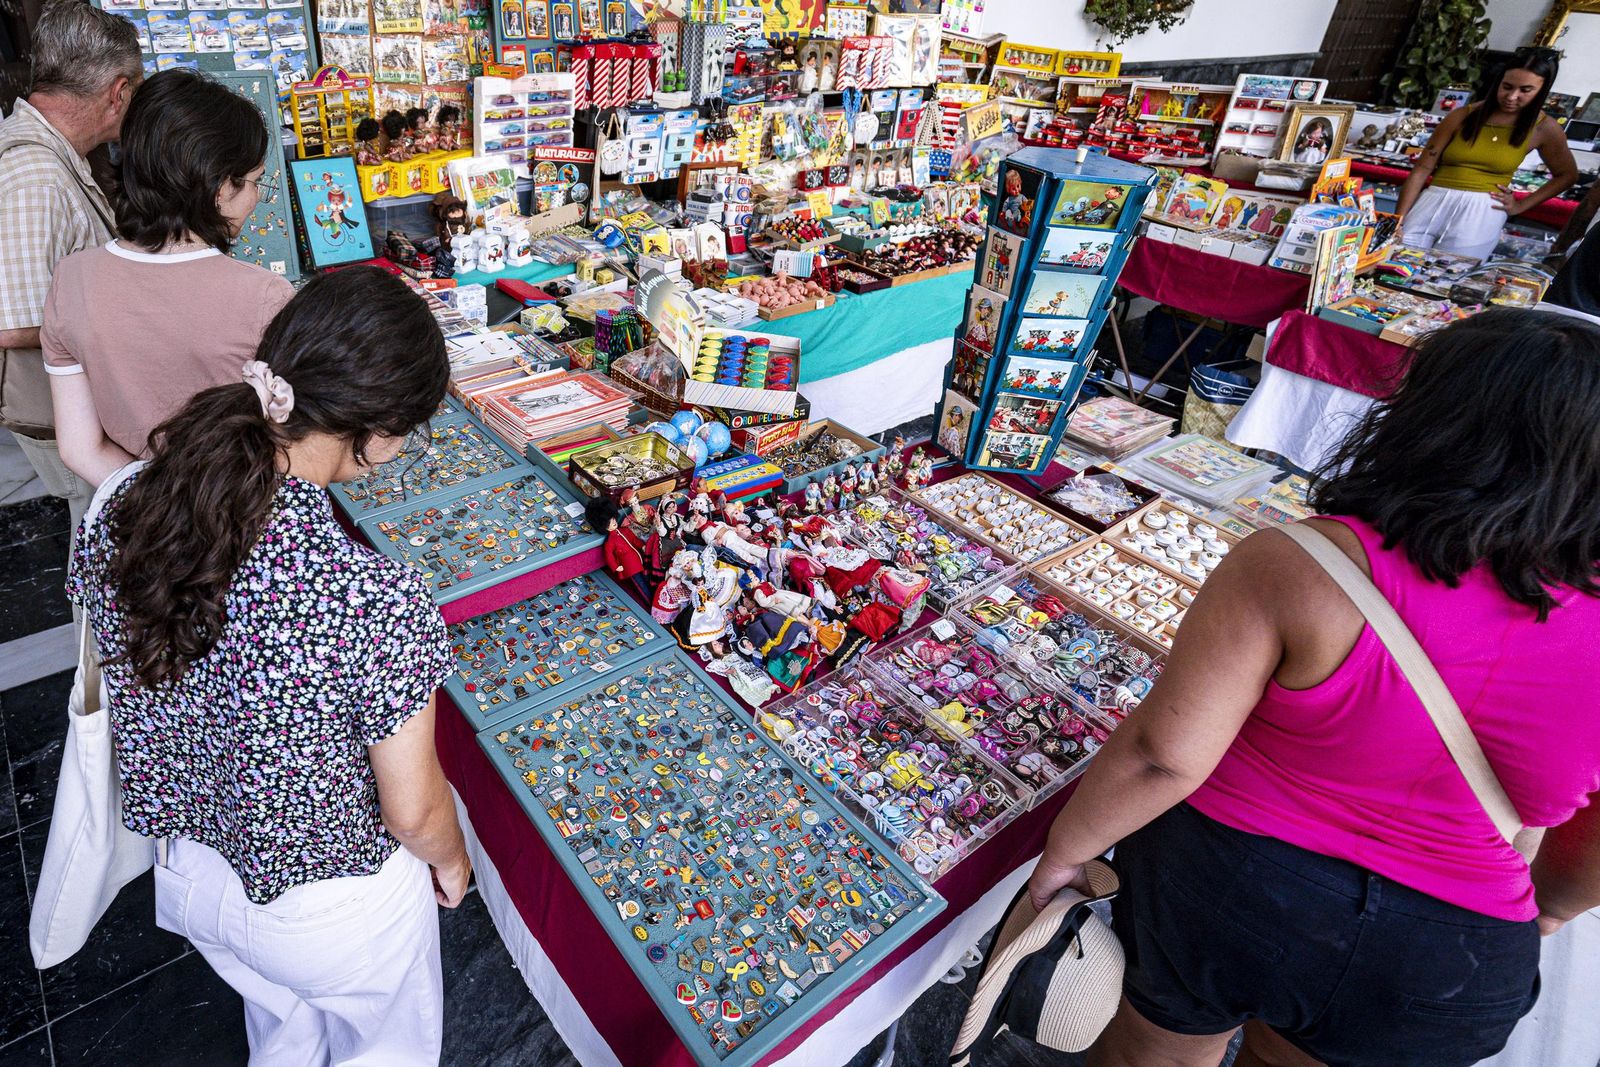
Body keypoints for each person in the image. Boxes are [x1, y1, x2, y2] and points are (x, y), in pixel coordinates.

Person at [1028, 309, 1600, 1067]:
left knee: (1153, 1057)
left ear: (1426, 419)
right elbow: (1582, 857)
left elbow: (1164, 755)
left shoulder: (1299, 564)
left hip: (1228, 886)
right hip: (1448, 948)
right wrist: (1550, 909)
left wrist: (1067, 851)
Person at [69, 267, 468, 1065]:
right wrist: (454, 858)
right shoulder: (372, 597)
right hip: (332, 915)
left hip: (192, 873)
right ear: (380, 429)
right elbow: (413, 812)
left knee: (279, 1031)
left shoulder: (125, 504)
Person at [43, 69, 294, 487]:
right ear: (219, 188)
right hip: (241, 512)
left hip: (138, 514)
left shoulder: (71, 280)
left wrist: (159, 506)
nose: (255, 197)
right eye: (254, 181)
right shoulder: (266, 296)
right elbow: (289, 447)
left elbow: (80, 448)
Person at [0, 0, 141, 528]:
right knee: (98, 529)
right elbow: (12, 323)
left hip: (72, 410)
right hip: (62, 416)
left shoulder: (55, 156)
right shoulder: (35, 173)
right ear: (119, 93)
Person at [1397, 49, 1578, 262]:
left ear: (1541, 91)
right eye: (1507, 87)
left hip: (1482, 211)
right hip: (1432, 199)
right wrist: (1397, 219)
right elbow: (1422, 168)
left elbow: (1567, 175)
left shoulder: (1544, 128)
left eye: (1525, 90)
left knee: (1449, 278)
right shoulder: (1463, 115)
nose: (1512, 97)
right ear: (1497, 82)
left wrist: (1520, 205)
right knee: (1395, 262)